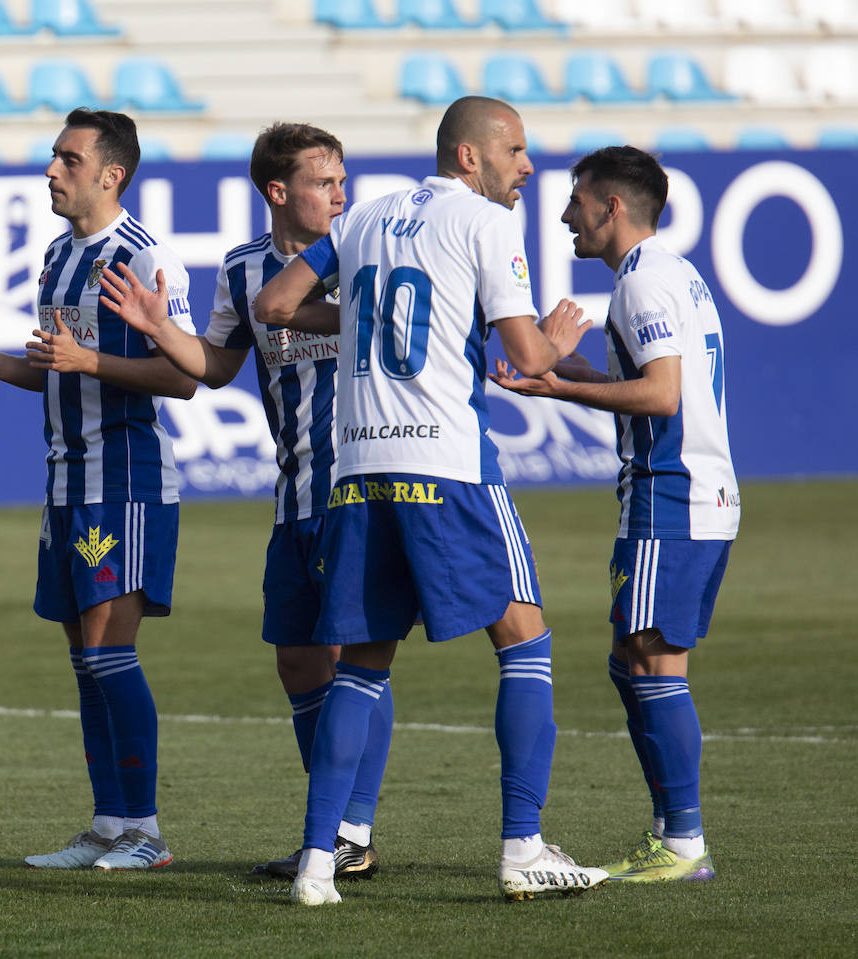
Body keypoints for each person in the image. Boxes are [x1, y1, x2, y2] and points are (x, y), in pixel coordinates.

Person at [256, 95, 607, 905]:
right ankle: (523, 847)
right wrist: (559, 340)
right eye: (516, 150)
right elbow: (521, 360)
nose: (528, 166)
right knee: (524, 639)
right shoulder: (485, 224)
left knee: (363, 667)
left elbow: (274, 309)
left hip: (358, 469)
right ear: (470, 158)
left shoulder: (364, 216)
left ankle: (318, 864)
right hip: (447, 463)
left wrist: (366, 319)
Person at [97, 122, 389, 881]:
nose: (341, 193)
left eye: (342, 178)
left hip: (358, 485)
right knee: (297, 658)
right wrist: (162, 329)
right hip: (292, 491)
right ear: (277, 190)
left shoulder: (367, 254)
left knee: (349, 653)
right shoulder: (243, 268)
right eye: (326, 181)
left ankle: (349, 829)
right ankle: (335, 828)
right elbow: (219, 367)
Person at [0, 109, 197, 871]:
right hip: (65, 481)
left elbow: (186, 376)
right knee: (84, 660)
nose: (51, 169)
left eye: (68, 159)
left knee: (112, 654)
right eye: (54, 156)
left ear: (111, 175)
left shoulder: (143, 259)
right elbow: (61, 363)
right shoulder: (56, 255)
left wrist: (91, 364)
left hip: (127, 480)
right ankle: (109, 824)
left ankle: (147, 832)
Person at [492, 145, 739, 883]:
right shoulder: (671, 272)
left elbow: (663, 396)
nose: (565, 213)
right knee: (631, 660)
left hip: (674, 491)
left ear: (612, 207)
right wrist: (573, 369)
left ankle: (684, 841)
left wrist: (555, 393)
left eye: (576, 199)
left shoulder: (641, 286)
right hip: (682, 492)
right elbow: (663, 382)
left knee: (654, 660)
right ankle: (671, 833)